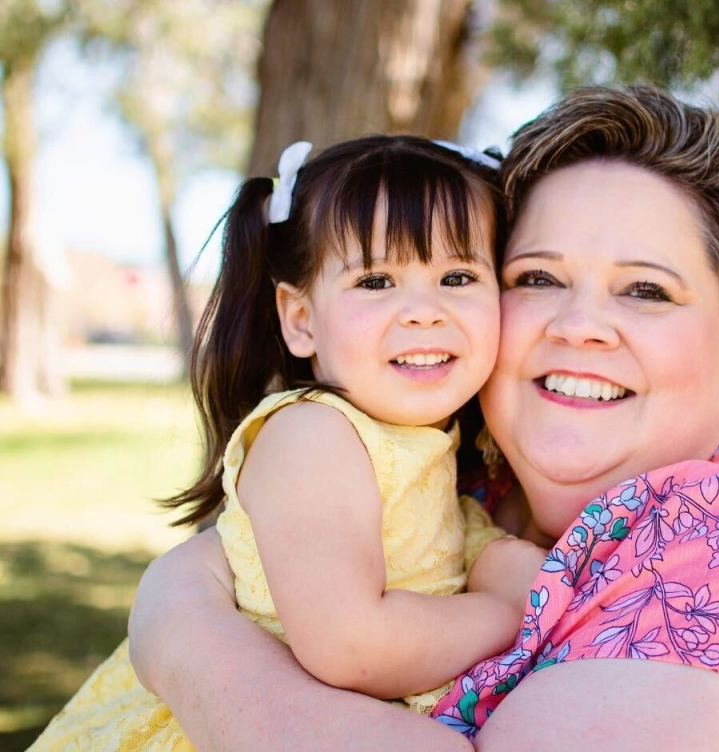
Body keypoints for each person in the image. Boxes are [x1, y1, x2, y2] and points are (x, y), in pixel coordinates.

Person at [128, 86, 719, 751]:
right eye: (535, 278)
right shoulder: (463, 478)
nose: (578, 327)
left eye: (646, 290)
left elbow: (223, 596)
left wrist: (184, 636)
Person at [30, 135, 547, 750]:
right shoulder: (311, 436)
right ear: (301, 320)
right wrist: (508, 609)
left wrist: (498, 555)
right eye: (377, 281)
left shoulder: (422, 441)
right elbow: (351, 646)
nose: (423, 311)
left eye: (457, 276)